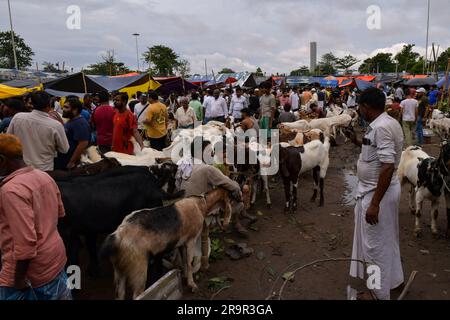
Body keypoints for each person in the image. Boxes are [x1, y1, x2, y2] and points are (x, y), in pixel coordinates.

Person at [346, 88, 404, 300]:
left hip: (377, 194)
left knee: (374, 246)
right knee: (386, 239)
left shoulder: (381, 128)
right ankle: (394, 280)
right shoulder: (386, 123)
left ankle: (375, 292)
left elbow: (387, 166)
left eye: (360, 107)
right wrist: (356, 142)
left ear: (366, 107)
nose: (360, 111)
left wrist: (374, 204)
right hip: (376, 191)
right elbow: (377, 152)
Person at [0, 134, 71, 300]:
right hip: (55, 258)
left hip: (30, 272)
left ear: (2, 160)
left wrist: (18, 280)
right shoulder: (44, 176)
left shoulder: (10, 191)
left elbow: (25, 245)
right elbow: (59, 214)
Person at [176, 137, 246, 234]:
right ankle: (232, 222)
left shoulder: (184, 164)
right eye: (209, 151)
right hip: (199, 209)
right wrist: (237, 188)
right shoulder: (207, 169)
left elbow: (177, 186)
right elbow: (233, 186)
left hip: (183, 206)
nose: (212, 153)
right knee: (236, 197)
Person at [6, 91, 69, 171]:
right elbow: (64, 149)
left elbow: (9, 139)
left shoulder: (18, 117)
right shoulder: (55, 125)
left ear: (32, 103)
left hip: (20, 167)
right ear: (49, 104)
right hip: (43, 170)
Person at [54, 98, 91, 170]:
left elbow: (83, 144)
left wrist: (71, 162)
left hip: (69, 161)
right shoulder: (72, 120)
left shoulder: (80, 123)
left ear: (75, 110)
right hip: (63, 158)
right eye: (63, 107)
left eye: (66, 107)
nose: (63, 109)